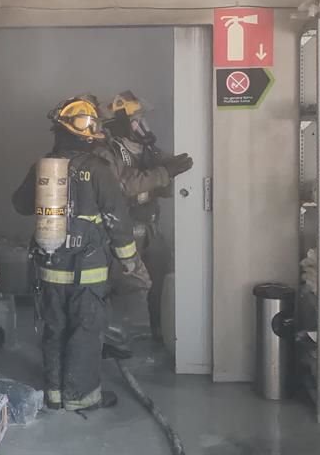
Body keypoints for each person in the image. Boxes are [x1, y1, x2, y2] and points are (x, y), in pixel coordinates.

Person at [12, 95, 137, 412]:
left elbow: (20, 204)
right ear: (89, 134)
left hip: (49, 266)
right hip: (88, 270)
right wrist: (129, 259)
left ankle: (53, 394)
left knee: (54, 329)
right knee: (85, 331)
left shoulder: (43, 167)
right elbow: (117, 218)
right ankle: (81, 397)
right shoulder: (99, 170)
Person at [96, 91, 193, 343]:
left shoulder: (149, 151)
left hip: (151, 228)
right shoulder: (107, 154)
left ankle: (160, 335)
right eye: (136, 121)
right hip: (122, 232)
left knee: (159, 285)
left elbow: (164, 182)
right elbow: (123, 187)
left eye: (142, 120)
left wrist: (175, 169)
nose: (143, 126)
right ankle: (113, 340)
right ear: (121, 125)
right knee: (123, 286)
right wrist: (163, 173)